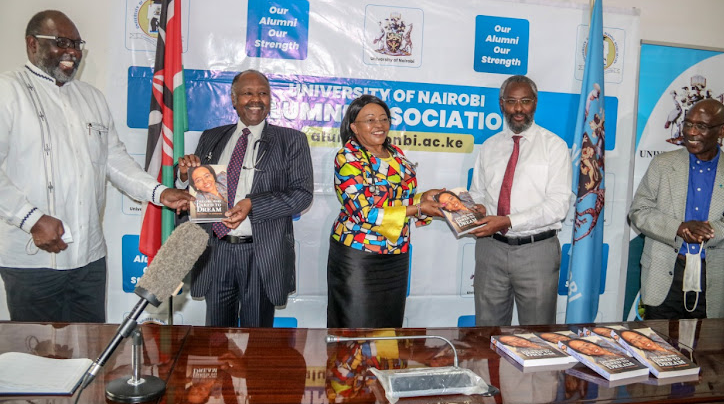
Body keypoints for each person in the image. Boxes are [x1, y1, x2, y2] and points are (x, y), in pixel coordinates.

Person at [0, 10, 192, 323]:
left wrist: (160, 193)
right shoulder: (7, 91)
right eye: (61, 42)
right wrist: (31, 218)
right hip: (31, 260)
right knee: (36, 361)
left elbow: (115, 162)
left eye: (77, 44)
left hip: (89, 259)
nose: (72, 52)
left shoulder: (91, 97)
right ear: (32, 44)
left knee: (90, 351)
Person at [177, 69, 313, 328]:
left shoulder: (291, 140)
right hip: (216, 251)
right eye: (247, 93)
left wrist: (253, 204)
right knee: (215, 339)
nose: (256, 100)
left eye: (263, 93)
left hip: (262, 253)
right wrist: (184, 176)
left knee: (258, 342)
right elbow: (197, 191)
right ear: (233, 99)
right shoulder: (211, 137)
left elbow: (302, 195)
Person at [327, 94, 442, 328]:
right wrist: (417, 207)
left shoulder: (396, 154)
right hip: (359, 254)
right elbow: (363, 211)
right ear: (354, 127)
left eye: (384, 119)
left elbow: (399, 200)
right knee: (355, 330)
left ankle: (383, 367)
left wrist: (424, 198)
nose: (379, 125)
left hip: (396, 255)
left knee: (388, 330)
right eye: (369, 120)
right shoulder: (348, 156)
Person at [629, 99, 724, 319]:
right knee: (659, 349)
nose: (691, 132)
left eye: (701, 126)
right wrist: (678, 228)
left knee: (707, 351)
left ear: (722, 130)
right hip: (665, 275)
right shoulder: (662, 165)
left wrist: (713, 232)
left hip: (713, 279)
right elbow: (639, 211)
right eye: (688, 124)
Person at [469, 75, 573, 326]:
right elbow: (478, 193)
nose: (518, 109)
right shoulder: (490, 146)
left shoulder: (555, 147)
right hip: (490, 250)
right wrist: (477, 208)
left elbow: (558, 205)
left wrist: (507, 220)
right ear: (501, 103)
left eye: (525, 101)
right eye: (511, 101)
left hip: (537, 252)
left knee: (537, 336)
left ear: (535, 103)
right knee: (487, 331)